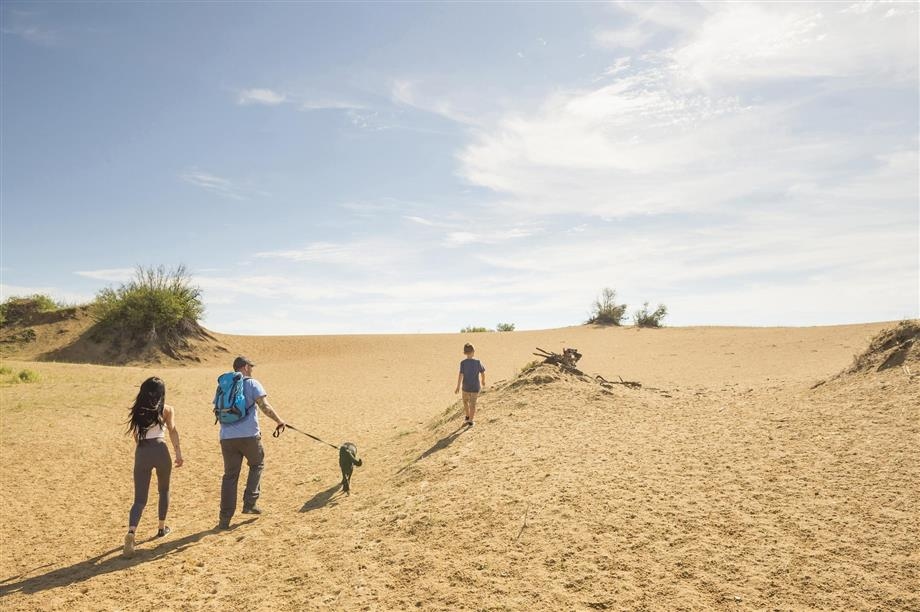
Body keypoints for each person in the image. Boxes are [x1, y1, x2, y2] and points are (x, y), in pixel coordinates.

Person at [217, 356, 287, 529]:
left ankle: (224, 518)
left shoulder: (223, 385)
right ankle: (250, 503)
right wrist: (279, 421)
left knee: (230, 476)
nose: (252, 369)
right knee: (257, 464)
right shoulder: (252, 383)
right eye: (251, 366)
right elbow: (264, 406)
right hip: (249, 435)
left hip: (226, 437)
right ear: (245, 367)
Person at [123, 377, 183, 557]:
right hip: (161, 450)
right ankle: (161, 528)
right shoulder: (167, 410)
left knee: (139, 499)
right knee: (163, 490)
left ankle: (131, 532)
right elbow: (172, 431)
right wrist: (178, 453)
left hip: (142, 451)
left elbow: (135, 435)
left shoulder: (137, 411)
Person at [455, 342, 486, 426]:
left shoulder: (463, 363)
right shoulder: (478, 362)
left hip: (465, 387)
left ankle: (468, 416)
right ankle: (471, 421)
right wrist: (483, 381)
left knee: (465, 402)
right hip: (475, 387)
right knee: (473, 404)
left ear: (464, 353)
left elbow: (460, 375)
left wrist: (458, 386)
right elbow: (482, 372)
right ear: (473, 351)